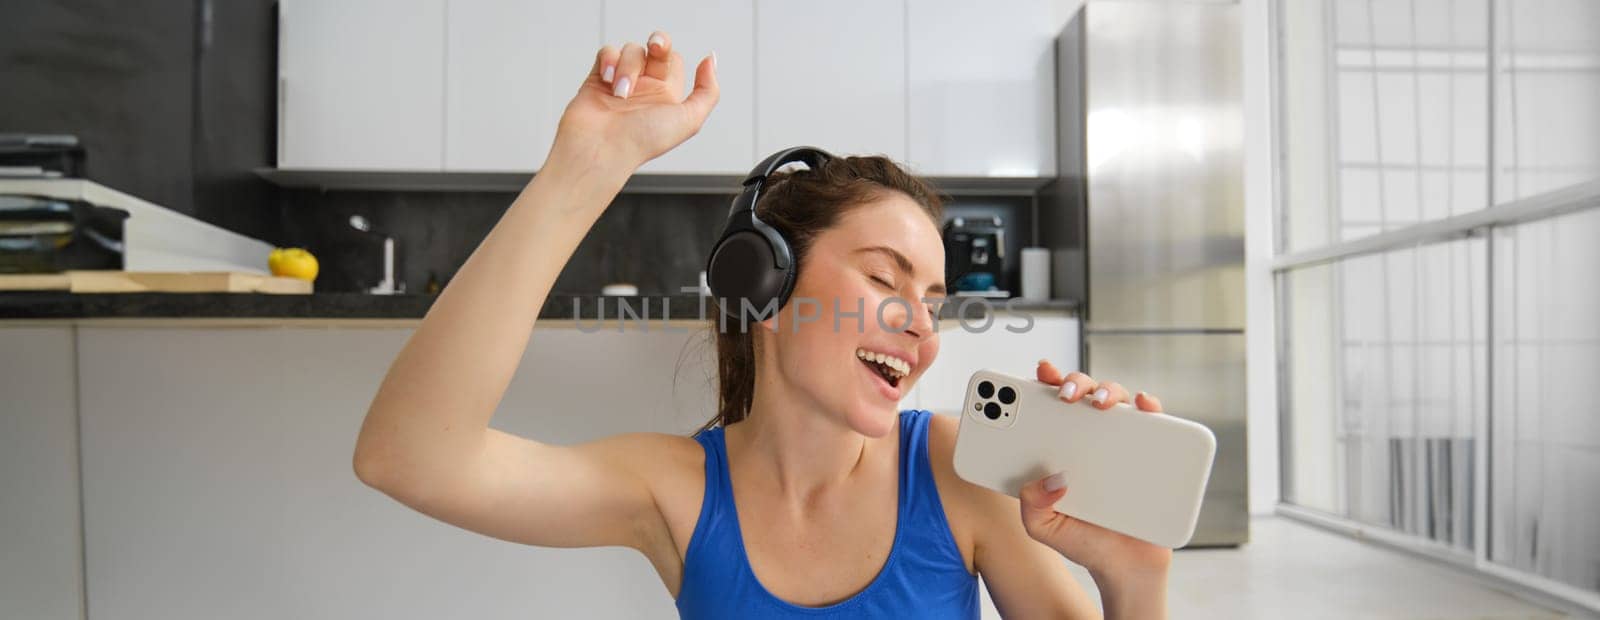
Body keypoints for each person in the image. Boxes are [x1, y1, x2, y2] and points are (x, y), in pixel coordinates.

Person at [353, 30, 1173, 619]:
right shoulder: (673, 490)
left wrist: (1135, 582)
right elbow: (407, 458)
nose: (922, 331)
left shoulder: (956, 469)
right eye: (886, 277)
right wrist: (585, 167)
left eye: (932, 301)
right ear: (765, 284)